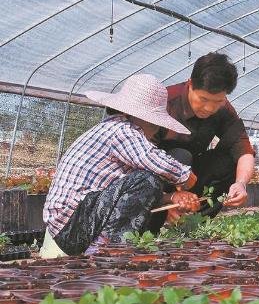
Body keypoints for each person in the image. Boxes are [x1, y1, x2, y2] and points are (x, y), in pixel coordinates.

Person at [41, 74, 200, 257]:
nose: (156, 131)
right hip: (72, 225)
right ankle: (105, 253)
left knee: (147, 184)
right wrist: (186, 177)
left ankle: (105, 249)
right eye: (155, 125)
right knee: (147, 180)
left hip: (72, 224)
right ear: (141, 117)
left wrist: (171, 198)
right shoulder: (122, 130)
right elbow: (152, 160)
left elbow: (122, 195)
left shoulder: (112, 130)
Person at [150, 52, 254, 230]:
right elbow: (138, 161)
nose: (210, 108)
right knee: (181, 156)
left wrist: (241, 183)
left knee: (228, 163)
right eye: (203, 99)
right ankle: (154, 221)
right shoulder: (165, 103)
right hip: (155, 178)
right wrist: (165, 200)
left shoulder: (223, 110)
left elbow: (244, 149)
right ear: (190, 84)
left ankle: (191, 226)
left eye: (218, 101)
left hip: (190, 178)